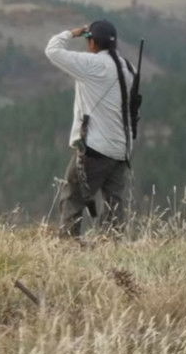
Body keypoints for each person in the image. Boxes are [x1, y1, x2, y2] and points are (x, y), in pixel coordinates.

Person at [45, 20, 135, 238]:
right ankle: (113, 249)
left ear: (93, 42)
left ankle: (68, 246)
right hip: (122, 148)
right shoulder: (128, 67)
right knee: (114, 205)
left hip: (95, 148)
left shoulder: (93, 65)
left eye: (88, 40)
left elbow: (53, 50)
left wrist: (73, 32)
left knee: (72, 197)